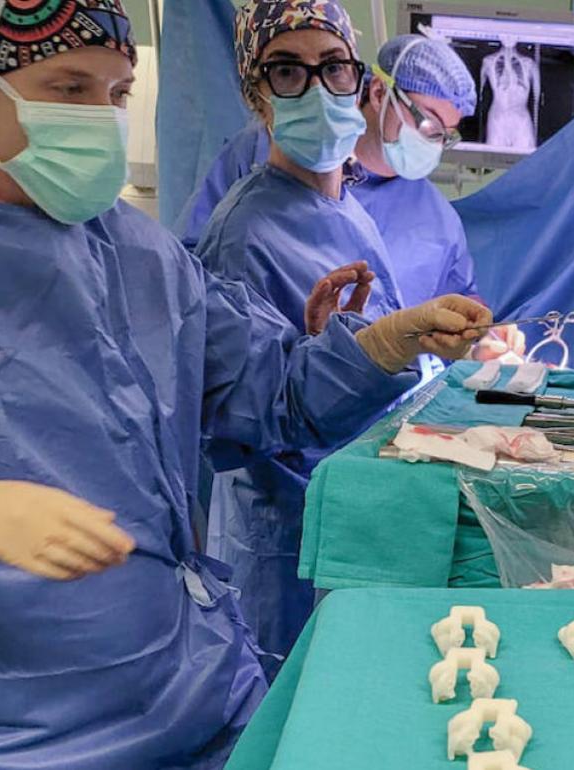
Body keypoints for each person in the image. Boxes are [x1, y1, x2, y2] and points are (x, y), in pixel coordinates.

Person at [0, 3, 490, 768]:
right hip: (24, 731)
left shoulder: (144, 257)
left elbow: (271, 392)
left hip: (195, 688)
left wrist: (383, 341)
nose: (101, 119)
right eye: (69, 87)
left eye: (117, 94)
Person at [193, 0, 412, 660]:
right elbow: (239, 421)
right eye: (287, 72)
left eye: (333, 67)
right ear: (256, 95)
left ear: (358, 80)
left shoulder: (347, 211)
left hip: (353, 512)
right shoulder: (242, 236)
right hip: (288, 533)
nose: (317, 88)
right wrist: (316, 363)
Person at [175, 35, 481, 310]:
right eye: (428, 124)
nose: (433, 143)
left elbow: (461, 300)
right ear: (377, 92)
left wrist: (483, 337)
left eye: (444, 134)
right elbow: (191, 267)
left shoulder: (438, 221)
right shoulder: (262, 151)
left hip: (373, 372)